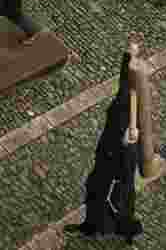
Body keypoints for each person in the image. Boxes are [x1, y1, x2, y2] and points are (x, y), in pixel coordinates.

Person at [65, 47, 144, 242]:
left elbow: (131, 153)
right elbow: (124, 80)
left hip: (117, 163)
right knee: (95, 192)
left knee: (119, 200)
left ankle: (126, 230)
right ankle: (92, 226)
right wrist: (129, 56)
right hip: (106, 155)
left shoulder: (132, 112)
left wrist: (128, 141)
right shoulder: (125, 97)